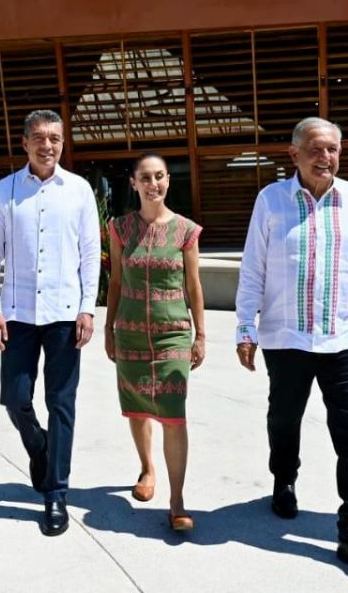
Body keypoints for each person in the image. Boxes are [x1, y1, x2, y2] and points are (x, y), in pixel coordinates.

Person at [234, 117, 348, 583]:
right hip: (286, 338)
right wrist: (246, 328)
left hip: (344, 337)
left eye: (334, 150)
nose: (326, 158)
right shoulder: (271, 201)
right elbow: (252, 267)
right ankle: (284, 477)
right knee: (283, 420)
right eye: (317, 150)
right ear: (294, 154)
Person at [0, 109, 100, 537]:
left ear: (62, 143)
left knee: (62, 403)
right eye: (39, 138)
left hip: (66, 314)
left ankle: (56, 493)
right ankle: (38, 445)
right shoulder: (4, 191)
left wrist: (88, 308)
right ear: (25, 142)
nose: (47, 145)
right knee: (15, 397)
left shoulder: (80, 191)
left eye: (54, 138)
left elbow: (90, 253)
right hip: (17, 314)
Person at [104, 153, 205, 532]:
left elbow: (193, 286)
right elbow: (115, 282)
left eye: (160, 176)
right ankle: (147, 468)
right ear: (133, 183)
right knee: (137, 406)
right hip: (129, 330)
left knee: (173, 414)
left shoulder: (185, 231)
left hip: (173, 333)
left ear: (167, 181)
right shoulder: (120, 228)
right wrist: (109, 327)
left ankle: (177, 500)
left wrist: (201, 334)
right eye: (145, 177)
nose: (153, 184)